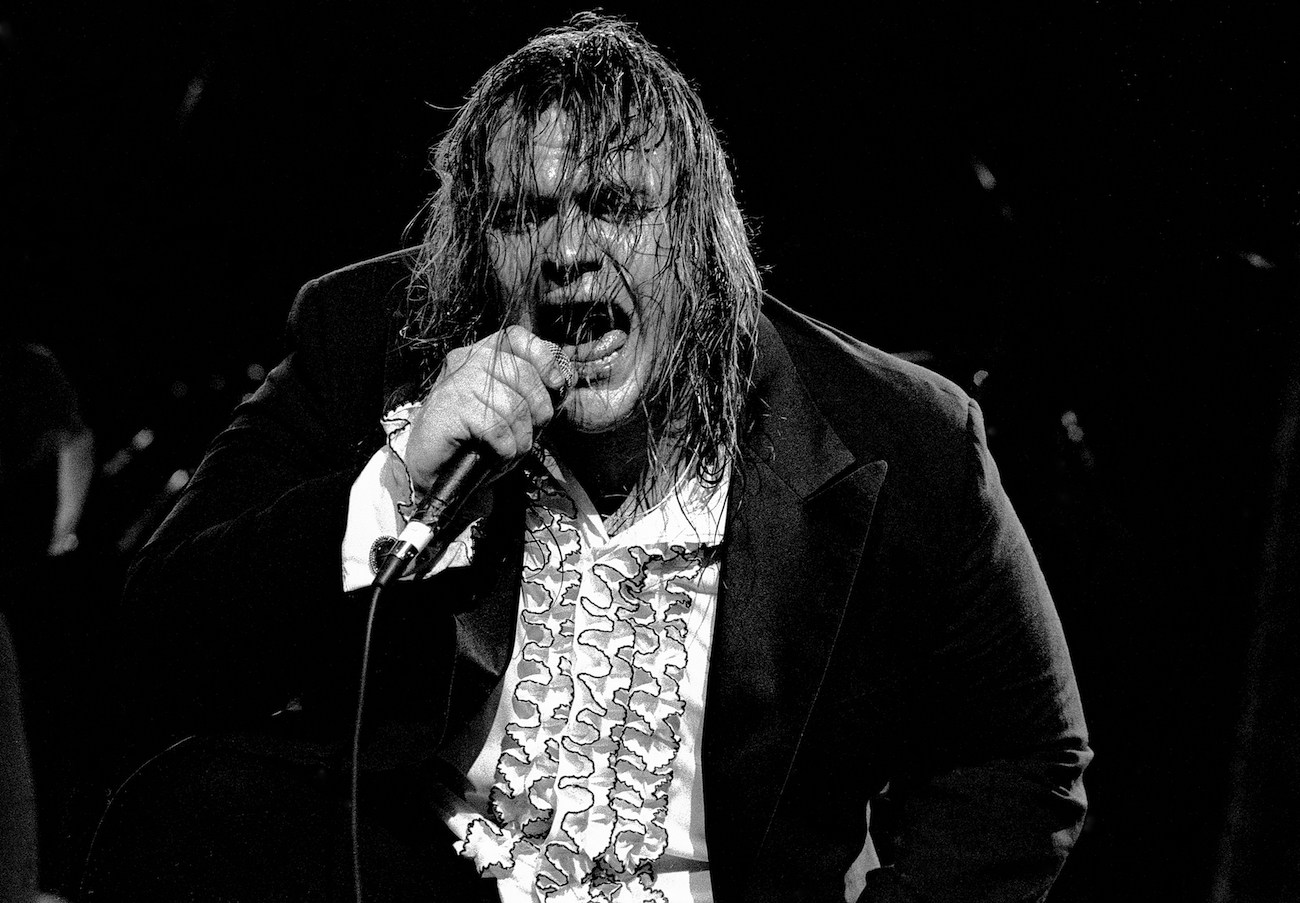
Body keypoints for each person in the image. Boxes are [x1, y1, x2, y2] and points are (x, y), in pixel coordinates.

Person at [90, 13, 1090, 903]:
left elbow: (1019, 757)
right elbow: (160, 641)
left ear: (700, 237)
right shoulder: (367, 345)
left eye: (614, 206)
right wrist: (399, 481)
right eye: (523, 216)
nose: (568, 251)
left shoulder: (898, 436)